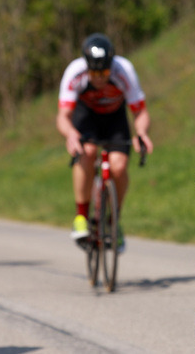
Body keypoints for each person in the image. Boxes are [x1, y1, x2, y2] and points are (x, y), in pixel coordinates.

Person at [56, 32, 153, 252]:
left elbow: (140, 111)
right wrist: (70, 134)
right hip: (86, 117)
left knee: (118, 166)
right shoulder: (75, 72)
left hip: (114, 119)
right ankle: (81, 215)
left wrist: (141, 133)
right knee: (87, 152)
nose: (99, 78)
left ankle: (112, 221)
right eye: (94, 72)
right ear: (86, 66)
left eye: (104, 72)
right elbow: (63, 116)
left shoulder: (124, 70)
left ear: (111, 65)